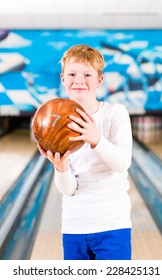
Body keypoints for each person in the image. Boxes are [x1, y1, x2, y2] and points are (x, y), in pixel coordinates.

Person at [37, 44, 133, 260]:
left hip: (113, 225)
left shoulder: (114, 113)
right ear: (63, 78)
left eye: (87, 74)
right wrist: (60, 168)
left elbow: (122, 163)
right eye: (72, 74)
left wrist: (96, 139)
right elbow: (68, 190)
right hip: (74, 227)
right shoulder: (56, 124)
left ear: (99, 80)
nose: (79, 80)